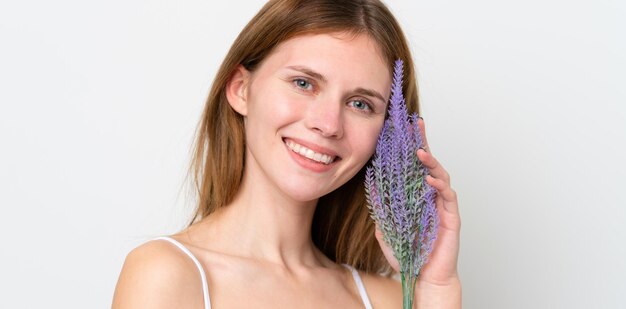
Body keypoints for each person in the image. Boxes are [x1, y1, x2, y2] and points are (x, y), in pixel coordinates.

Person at [112, 0, 461, 308]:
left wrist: (434, 285)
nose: (328, 124)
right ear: (241, 89)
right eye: (304, 83)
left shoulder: (384, 299)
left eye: (360, 104)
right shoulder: (168, 276)